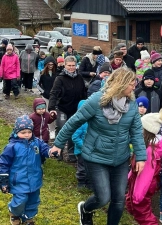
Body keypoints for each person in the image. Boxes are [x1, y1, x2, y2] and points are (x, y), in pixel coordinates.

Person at [49, 67, 147, 225]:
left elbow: (136, 131)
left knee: (118, 199)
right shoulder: (97, 101)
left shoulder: (132, 105)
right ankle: (86, 209)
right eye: (131, 83)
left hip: (120, 158)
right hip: (96, 156)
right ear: (120, 84)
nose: (134, 87)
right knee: (103, 197)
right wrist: (58, 144)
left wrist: (141, 156)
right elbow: (74, 121)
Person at [0, 115, 54, 225]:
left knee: (34, 201)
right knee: (20, 200)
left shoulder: (36, 142)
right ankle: (14, 211)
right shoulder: (12, 147)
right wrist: (3, 181)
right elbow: (3, 164)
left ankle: (28, 217)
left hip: (34, 179)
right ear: (16, 132)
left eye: (29, 132)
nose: (26, 135)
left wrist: (50, 152)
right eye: (23, 132)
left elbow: (44, 148)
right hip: (18, 181)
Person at [126, 107, 162, 225]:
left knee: (143, 213)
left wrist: (138, 195)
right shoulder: (144, 146)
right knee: (132, 207)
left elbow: (145, 174)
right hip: (137, 184)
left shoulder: (148, 151)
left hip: (142, 187)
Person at [48, 56, 86, 163]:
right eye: (69, 65)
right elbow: (54, 93)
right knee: (62, 127)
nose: (71, 67)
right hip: (62, 107)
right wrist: (51, 107)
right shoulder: (60, 78)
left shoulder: (79, 78)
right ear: (65, 65)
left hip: (75, 109)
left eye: (73, 65)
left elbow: (83, 93)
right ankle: (57, 151)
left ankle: (71, 152)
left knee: (73, 130)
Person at [72, 100, 91, 189]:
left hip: (91, 150)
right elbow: (75, 137)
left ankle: (89, 182)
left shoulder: (92, 122)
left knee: (90, 167)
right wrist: (83, 146)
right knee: (82, 167)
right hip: (81, 150)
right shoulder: (80, 123)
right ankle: (81, 181)